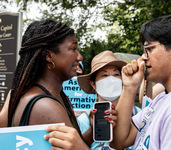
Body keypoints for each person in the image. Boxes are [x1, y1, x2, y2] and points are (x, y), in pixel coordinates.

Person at [6, 19, 116, 149]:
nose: (79, 57)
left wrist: (92, 131)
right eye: (73, 48)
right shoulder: (47, 107)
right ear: (49, 55)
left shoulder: (18, 93)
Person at [110, 13, 171, 150]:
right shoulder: (163, 98)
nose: (143, 58)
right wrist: (129, 87)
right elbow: (119, 141)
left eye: (149, 49)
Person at [77, 50, 141, 149]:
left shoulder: (138, 115)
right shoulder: (84, 121)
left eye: (116, 75)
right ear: (93, 84)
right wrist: (92, 131)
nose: (111, 80)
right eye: (104, 75)